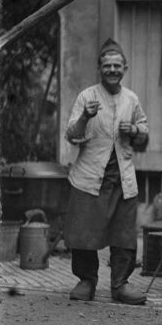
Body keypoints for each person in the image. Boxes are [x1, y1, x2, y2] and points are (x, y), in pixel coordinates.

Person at [64, 38, 149, 304]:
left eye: (117, 66)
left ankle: (120, 285)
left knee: (124, 235)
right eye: (107, 66)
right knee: (83, 232)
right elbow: (71, 135)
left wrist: (135, 130)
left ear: (125, 67)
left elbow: (144, 137)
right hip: (89, 177)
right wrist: (85, 117)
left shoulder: (131, 99)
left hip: (122, 179)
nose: (112, 70)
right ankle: (86, 281)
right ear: (99, 68)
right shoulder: (86, 97)